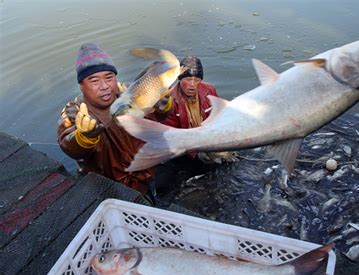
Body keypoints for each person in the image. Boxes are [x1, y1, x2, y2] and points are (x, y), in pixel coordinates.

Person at [57, 43, 168, 197]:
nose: (104, 86)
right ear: (81, 86)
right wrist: (85, 136)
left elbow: (158, 117)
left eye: (109, 78)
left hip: (143, 176)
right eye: (94, 81)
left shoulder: (130, 94)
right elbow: (68, 145)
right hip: (107, 187)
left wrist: (164, 105)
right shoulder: (74, 111)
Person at [155, 55, 236, 194]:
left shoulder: (209, 90)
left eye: (197, 80)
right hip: (178, 150)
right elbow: (172, 137)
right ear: (179, 79)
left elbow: (220, 118)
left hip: (204, 142)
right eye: (187, 79)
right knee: (163, 186)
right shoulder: (169, 100)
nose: (192, 84)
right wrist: (196, 154)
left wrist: (223, 143)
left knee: (225, 169)